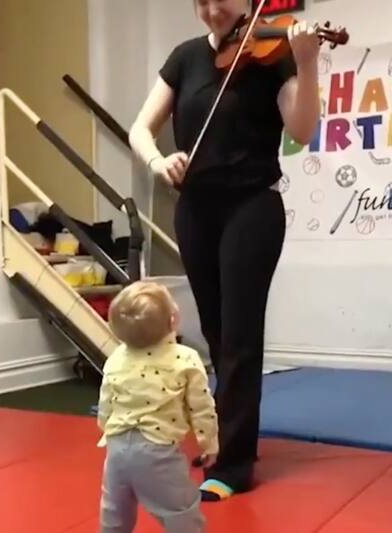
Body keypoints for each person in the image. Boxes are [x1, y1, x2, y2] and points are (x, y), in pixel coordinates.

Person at [128, 0, 320, 501]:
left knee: (239, 334)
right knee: (213, 330)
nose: (214, 11)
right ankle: (221, 440)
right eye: (203, 2)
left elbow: (302, 130)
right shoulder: (185, 58)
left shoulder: (274, 54)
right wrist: (158, 160)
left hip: (251, 207)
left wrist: (306, 62)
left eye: (224, 1)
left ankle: (235, 463)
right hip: (195, 209)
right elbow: (140, 128)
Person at [97, 281, 218, 533]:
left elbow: (106, 401)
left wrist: (105, 426)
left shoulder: (116, 357)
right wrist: (209, 443)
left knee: (115, 511)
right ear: (173, 320)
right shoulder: (184, 358)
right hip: (157, 451)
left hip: (117, 448)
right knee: (180, 510)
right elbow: (202, 407)